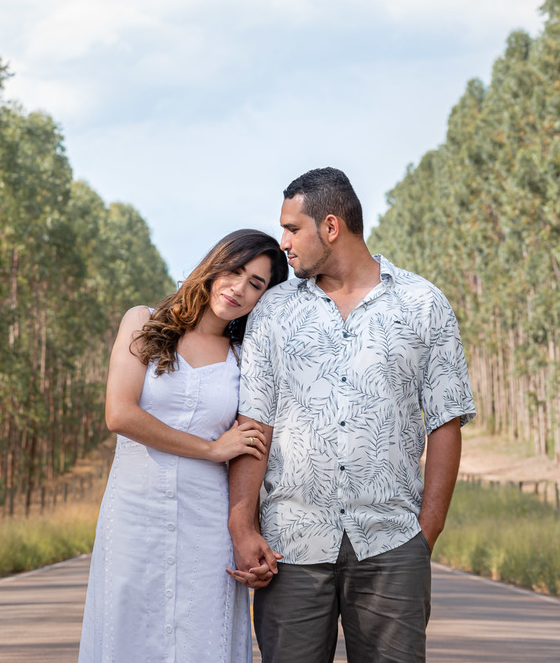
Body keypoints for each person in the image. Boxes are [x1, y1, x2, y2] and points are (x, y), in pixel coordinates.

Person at [227, 168, 476, 663]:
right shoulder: (273, 312)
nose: (284, 244)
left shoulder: (423, 304)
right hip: (291, 548)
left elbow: (446, 422)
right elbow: (255, 424)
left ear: (331, 227)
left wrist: (425, 534)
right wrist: (243, 523)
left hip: (391, 544)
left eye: (293, 229)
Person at [78, 229, 289, 663]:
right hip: (134, 514)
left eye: (256, 284)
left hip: (207, 523)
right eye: (235, 271)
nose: (239, 288)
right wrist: (212, 449)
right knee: (129, 633)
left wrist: (248, 527)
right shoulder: (144, 321)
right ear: (214, 266)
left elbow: (254, 444)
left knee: (200, 637)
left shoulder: (245, 357)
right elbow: (120, 414)